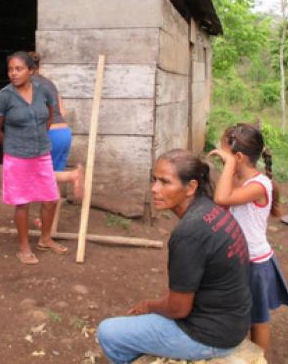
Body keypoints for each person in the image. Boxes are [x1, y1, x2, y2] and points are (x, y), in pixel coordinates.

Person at [97, 149, 252, 363]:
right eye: (154, 180)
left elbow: (179, 309)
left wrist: (149, 306)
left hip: (211, 337)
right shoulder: (212, 210)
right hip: (233, 322)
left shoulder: (189, 233)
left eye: (165, 182)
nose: (154, 189)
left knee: (108, 332)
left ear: (191, 187)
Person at [208, 123, 288, 351]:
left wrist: (227, 165)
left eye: (225, 153)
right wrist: (230, 167)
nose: (221, 157)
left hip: (255, 262)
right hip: (239, 258)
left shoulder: (259, 185)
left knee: (259, 320)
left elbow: (222, 199)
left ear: (238, 157)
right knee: (241, 313)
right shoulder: (243, 182)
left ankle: (259, 359)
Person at [0, 51, 68, 265]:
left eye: (18, 69)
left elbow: (49, 117)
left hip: (42, 153)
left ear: (31, 71)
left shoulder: (43, 91)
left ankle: (45, 239)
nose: (13, 74)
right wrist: (14, 145)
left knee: (51, 198)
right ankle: (24, 248)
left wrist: (38, 138)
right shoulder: (4, 96)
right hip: (17, 157)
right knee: (22, 203)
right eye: (10, 69)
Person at [28, 51, 84, 233]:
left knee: (33, 173)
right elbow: (63, 110)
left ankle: (72, 176)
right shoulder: (49, 84)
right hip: (63, 133)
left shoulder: (28, 85)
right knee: (53, 182)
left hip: (48, 134)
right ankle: (50, 228)